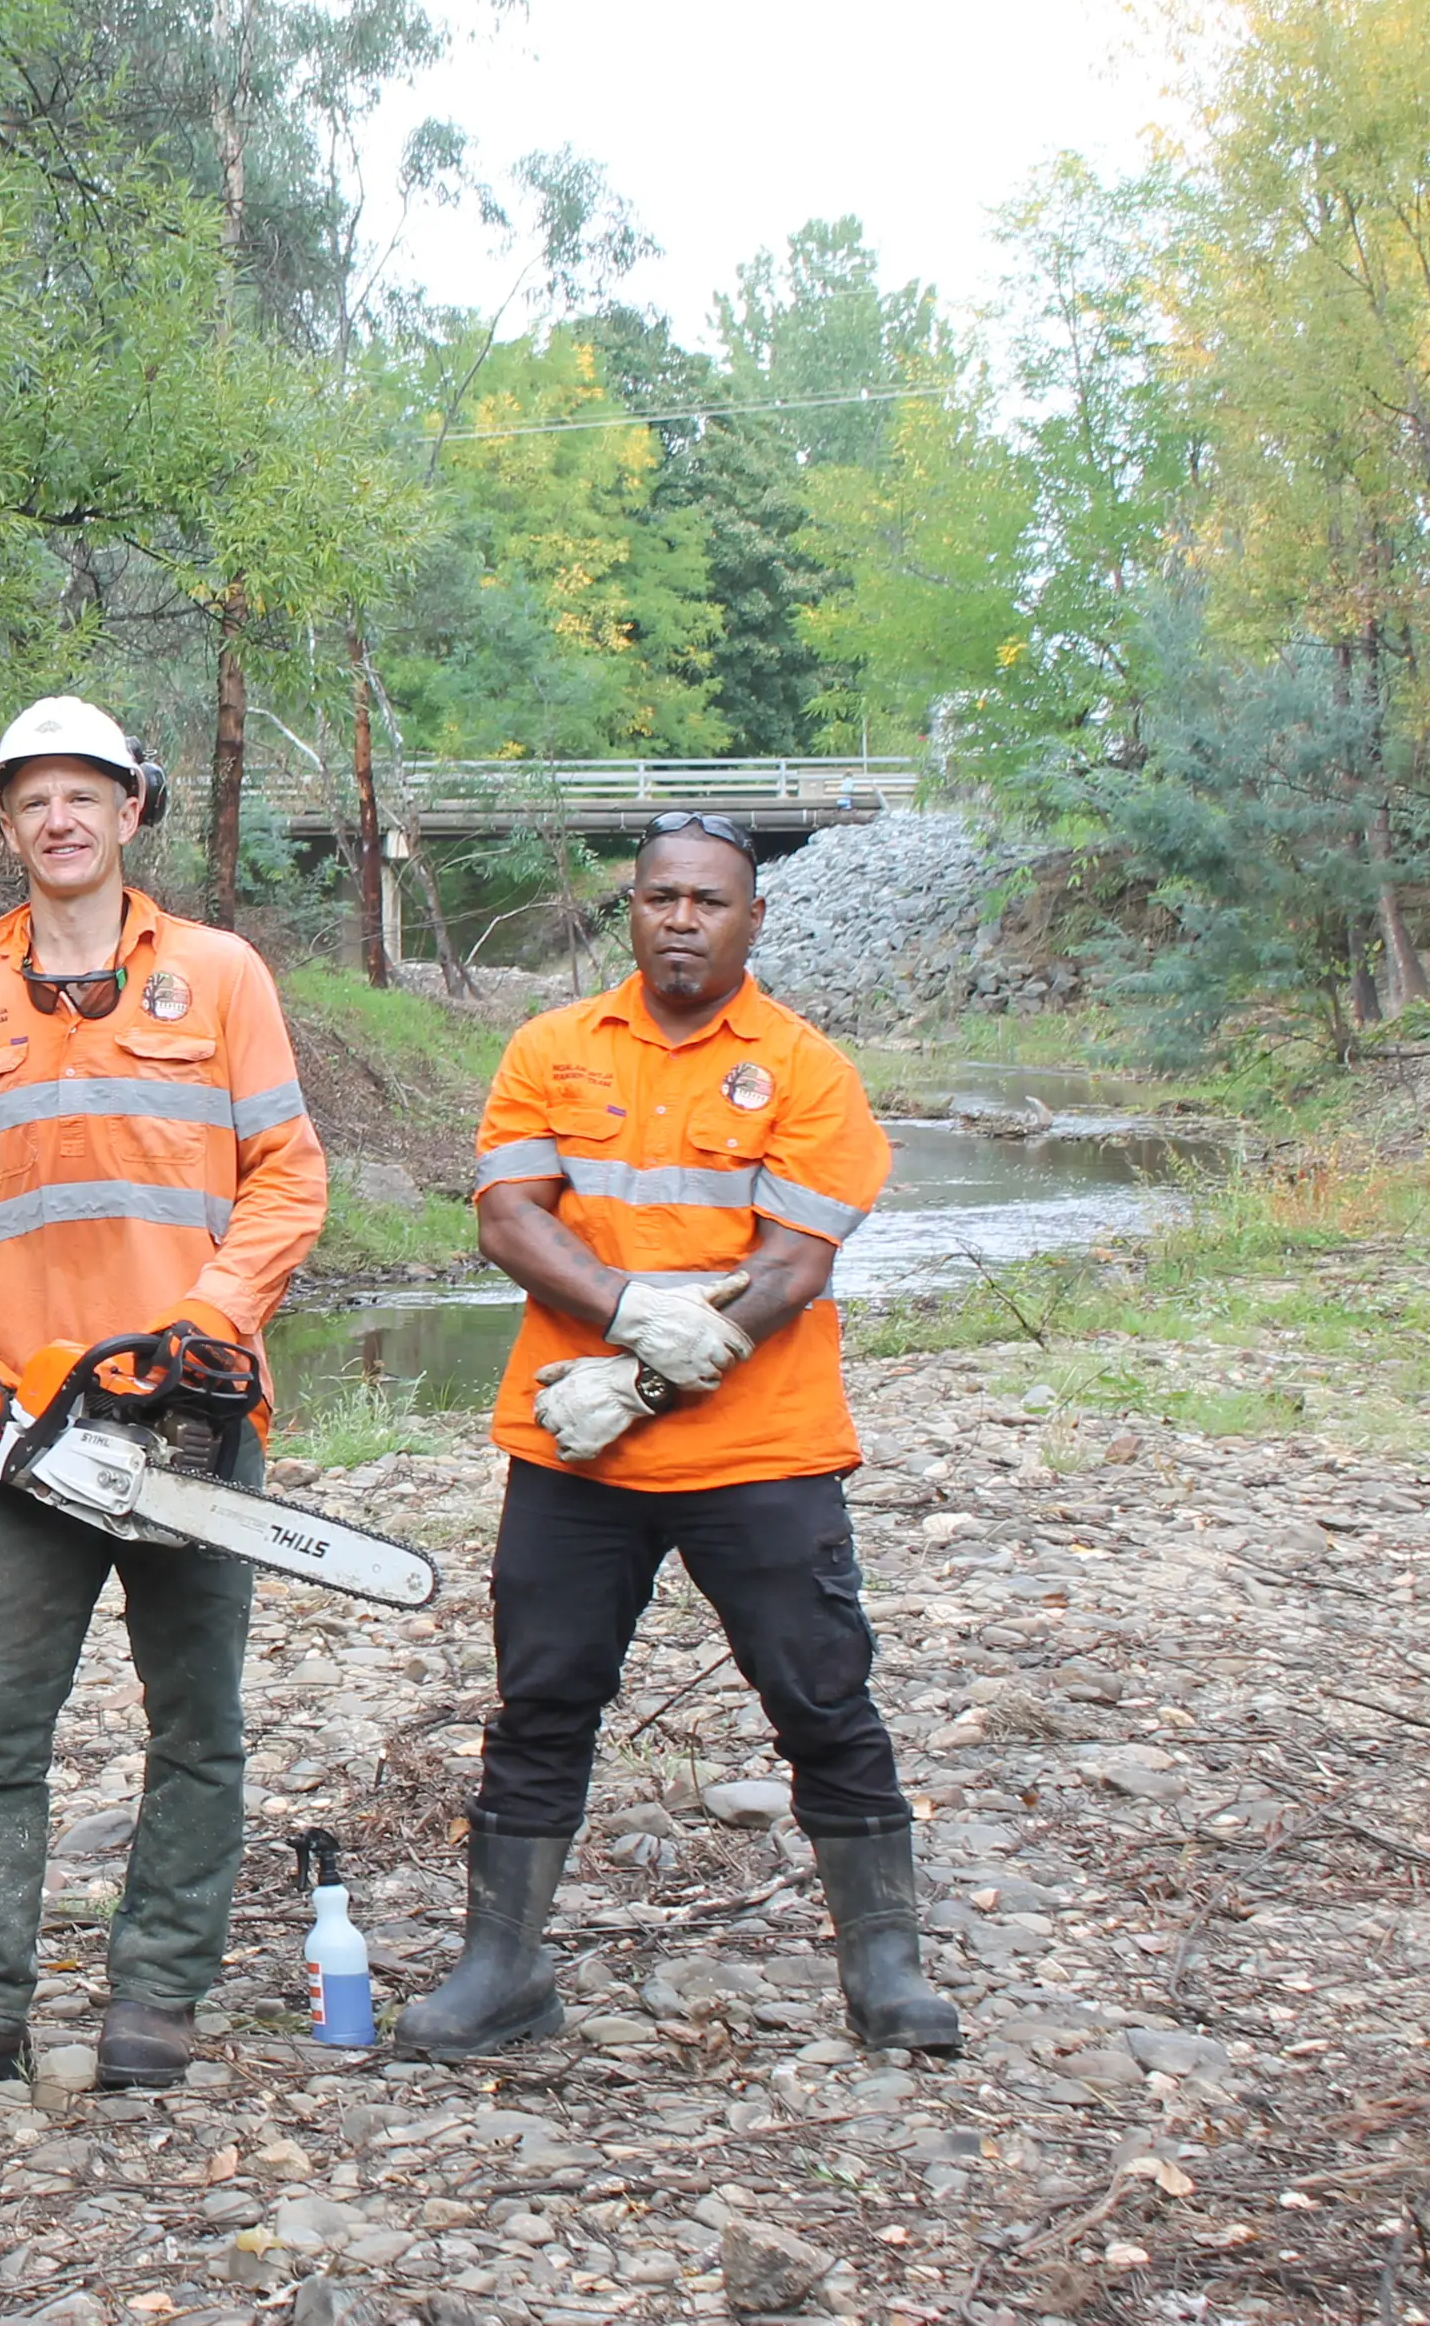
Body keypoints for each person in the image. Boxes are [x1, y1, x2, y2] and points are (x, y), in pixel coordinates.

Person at [398, 813, 960, 2059]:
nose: (684, 918)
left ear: (753, 918)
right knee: (541, 1702)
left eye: (711, 900)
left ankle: (886, 1973)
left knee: (822, 1698)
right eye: (662, 897)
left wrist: (640, 1382)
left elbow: (795, 1263)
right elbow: (508, 1218)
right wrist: (625, 1307)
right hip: (569, 1455)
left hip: (762, 1453)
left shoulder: (806, 1069)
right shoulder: (552, 1046)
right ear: (633, 909)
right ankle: (502, 1970)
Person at [0, 696, 330, 2104]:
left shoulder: (220, 973)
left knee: (194, 1722)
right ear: (6, 826)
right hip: (24, 1433)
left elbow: (288, 1178)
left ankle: (159, 1994)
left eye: (86, 794)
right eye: (34, 799)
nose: (60, 819)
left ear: (132, 810)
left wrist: (208, 1320)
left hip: (191, 1414)